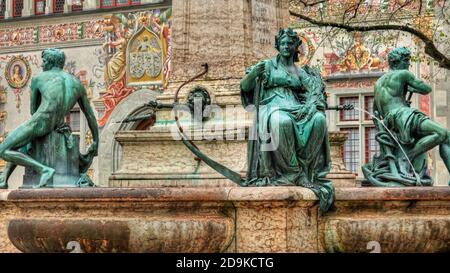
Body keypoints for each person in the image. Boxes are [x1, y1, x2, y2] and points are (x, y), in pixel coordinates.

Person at [240, 28, 334, 211]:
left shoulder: (300, 72)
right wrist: (253, 75)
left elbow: (314, 93)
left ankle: (306, 170)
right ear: (277, 45)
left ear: (295, 47)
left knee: (319, 120)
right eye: (282, 43)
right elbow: (245, 86)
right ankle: (292, 172)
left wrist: (313, 103)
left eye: (289, 44)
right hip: (272, 107)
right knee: (281, 122)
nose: (285, 46)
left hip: (296, 108)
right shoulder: (267, 66)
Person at [0, 48, 99, 189]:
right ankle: (3, 180)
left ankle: (44, 170)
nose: (42, 64)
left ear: (51, 62)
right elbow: (90, 116)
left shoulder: (39, 78)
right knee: (21, 141)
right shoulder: (77, 84)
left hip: (40, 122)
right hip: (55, 123)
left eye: (44, 61)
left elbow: (33, 111)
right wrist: (95, 142)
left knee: (3, 149)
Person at [363, 47, 450, 186]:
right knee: (444, 134)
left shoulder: (378, 82)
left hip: (390, 120)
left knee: (441, 135)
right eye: (407, 60)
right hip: (403, 115)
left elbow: (376, 111)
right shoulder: (404, 74)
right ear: (399, 61)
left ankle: (408, 160)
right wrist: (411, 87)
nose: (408, 64)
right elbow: (426, 89)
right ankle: (406, 157)